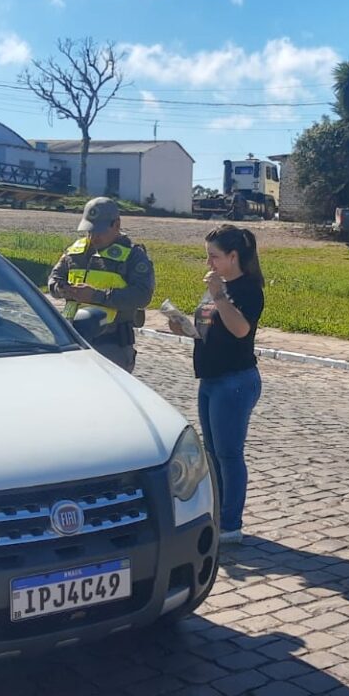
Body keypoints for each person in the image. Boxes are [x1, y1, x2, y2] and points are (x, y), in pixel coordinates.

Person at [169, 224, 264, 545]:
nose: (209, 263)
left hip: (234, 381)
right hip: (210, 378)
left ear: (234, 256)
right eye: (207, 256)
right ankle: (218, 514)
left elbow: (240, 330)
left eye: (215, 256)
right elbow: (209, 329)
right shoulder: (217, 286)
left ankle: (231, 524)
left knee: (229, 454)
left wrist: (220, 295)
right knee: (211, 453)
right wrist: (183, 326)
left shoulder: (248, 288)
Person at [48, 197, 154, 372]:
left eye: (100, 231)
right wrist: (62, 289)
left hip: (112, 345)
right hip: (73, 340)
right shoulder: (75, 251)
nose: (93, 237)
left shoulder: (133, 256)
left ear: (117, 225)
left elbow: (142, 295)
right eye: (89, 230)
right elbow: (54, 279)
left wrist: (96, 296)